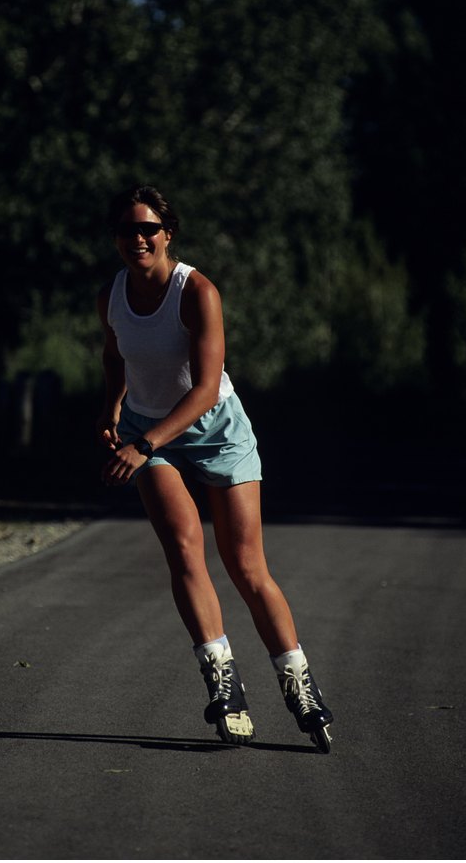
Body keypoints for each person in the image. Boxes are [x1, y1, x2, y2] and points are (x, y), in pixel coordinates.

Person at [96, 184, 333, 749]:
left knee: (247, 567)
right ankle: (223, 682)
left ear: (168, 233)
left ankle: (298, 681)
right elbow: (113, 354)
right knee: (183, 550)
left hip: (215, 431)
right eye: (128, 230)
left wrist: (144, 443)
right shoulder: (112, 294)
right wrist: (111, 408)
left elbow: (205, 390)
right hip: (149, 434)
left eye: (149, 229)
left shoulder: (196, 291)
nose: (138, 239)